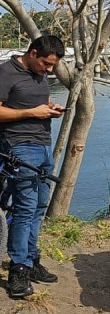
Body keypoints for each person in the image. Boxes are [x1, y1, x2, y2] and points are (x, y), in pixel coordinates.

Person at [0, 35, 65, 298]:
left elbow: (33, 103)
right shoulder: (6, 72)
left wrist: (50, 108)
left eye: (52, 66)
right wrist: (31, 113)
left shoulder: (39, 75)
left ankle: (30, 259)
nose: (49, 70)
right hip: (18, 148)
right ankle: (18, 270)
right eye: (46, 64)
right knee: (25, 209)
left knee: (39, 206)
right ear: (33, 52)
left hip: (43, 146)